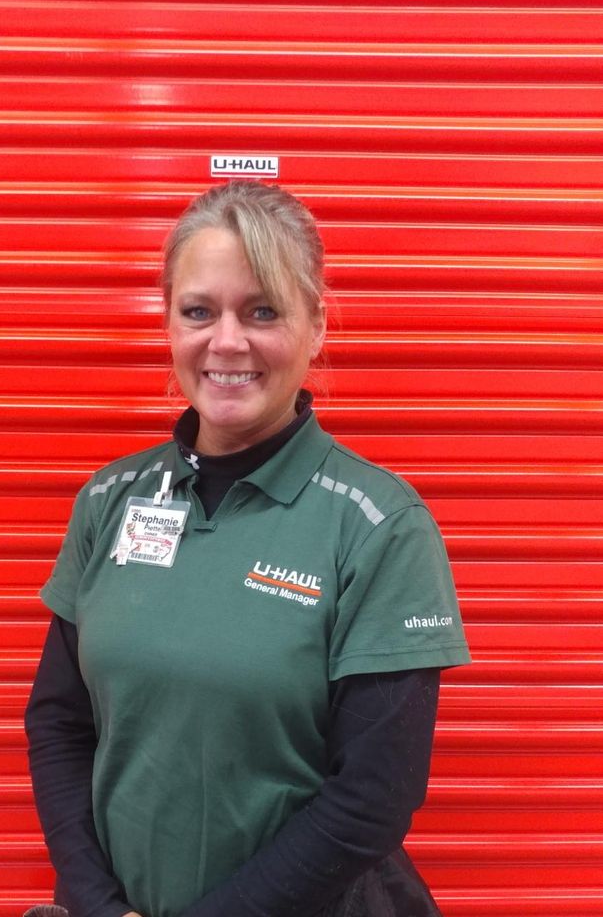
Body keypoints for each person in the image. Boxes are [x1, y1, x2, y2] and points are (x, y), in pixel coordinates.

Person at [24, 180, 471, 917]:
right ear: (168, 322)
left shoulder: (379, 526)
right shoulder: (110, 499)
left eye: (262, 311)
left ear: (315, 326)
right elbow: (59, 725)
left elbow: (372, 798)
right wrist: (100, 906)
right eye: (198, 311)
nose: (227, 342)